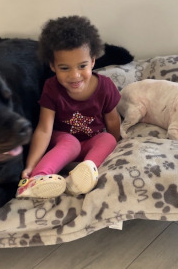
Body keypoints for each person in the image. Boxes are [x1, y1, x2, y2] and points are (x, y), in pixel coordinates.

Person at [16, 15, 121, 198]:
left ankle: (79, 180)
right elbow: (44, 129)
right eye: (65, 68)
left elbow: (112, 120)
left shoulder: (105, 86)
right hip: (63, 141)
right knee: (71, 143)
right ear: (53, 66)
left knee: (108, 139)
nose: (75, 75)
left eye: (82, 66)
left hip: (90, 143)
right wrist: (31, 165)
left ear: (93, 61)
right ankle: (36, 180)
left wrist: (115, 146)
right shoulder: (51, 88)